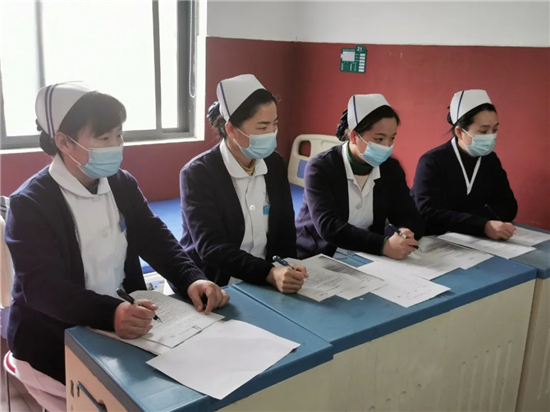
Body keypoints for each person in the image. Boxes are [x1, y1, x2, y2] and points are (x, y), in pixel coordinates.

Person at [5, 82, 229, 410]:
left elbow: (154, 236)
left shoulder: (120, 183)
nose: (116, 146)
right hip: (53, 339)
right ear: (64, 142)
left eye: (119, 136)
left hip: (122, 325)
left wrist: (191, 278)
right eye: (103, 138)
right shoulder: (31, 204)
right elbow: (43, 289)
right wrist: (111, 313)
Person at [180, 74, 307, 294]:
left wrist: (288, 266)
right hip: (215, 284)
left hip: (267, 280)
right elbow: (211, 247)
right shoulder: (198, 173)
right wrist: (268, 273)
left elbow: (285, 228)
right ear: (231, 129)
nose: (271, 133)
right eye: (262, 127)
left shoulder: (274, 164)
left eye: (275, 124)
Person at [296, 93, 424, 260]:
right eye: (379, 139)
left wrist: (405, 231)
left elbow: (407, 213)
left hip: (366, 252)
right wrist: (383, 245)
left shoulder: (390, 168)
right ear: (354, 136)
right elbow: (328, 226)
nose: (387, 146)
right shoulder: (321, 167)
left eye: (392, 138)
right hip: (318, 252)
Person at [412, 89, 517, 238]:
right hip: (432, 237)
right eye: (483, 131)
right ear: (460, 132)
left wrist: (469, 222)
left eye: (495, 130)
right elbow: (428, 212)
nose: (491, 137)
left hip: (473, 238)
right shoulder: (432, 161)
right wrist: (482, 224)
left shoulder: (490, 160)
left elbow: (509, 206)